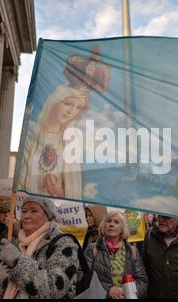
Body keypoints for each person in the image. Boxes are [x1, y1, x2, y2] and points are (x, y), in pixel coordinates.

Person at [20, 50, 110, 200]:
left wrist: (58, 191)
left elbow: (73, 199)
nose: (71, 111)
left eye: (79, 108)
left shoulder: (71, 143)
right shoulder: (30, 133)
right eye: (68, 103)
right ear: (55, 100)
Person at [0, 196, 80, 299]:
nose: (27, 216)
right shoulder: (15, 242)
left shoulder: (63, 244)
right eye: (24, 211)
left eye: (33, 211)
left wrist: (18, 261)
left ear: (48, 216)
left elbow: (54, 289)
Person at [84, 211, 148, 299]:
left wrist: (127, 293)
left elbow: (143, 281)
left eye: (116, 222)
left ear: (122, 228)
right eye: (108, 221)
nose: (111, 224)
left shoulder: (132, 251)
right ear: (103, 225)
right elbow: (84, 279)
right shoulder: (92, 249)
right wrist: (108, 291)